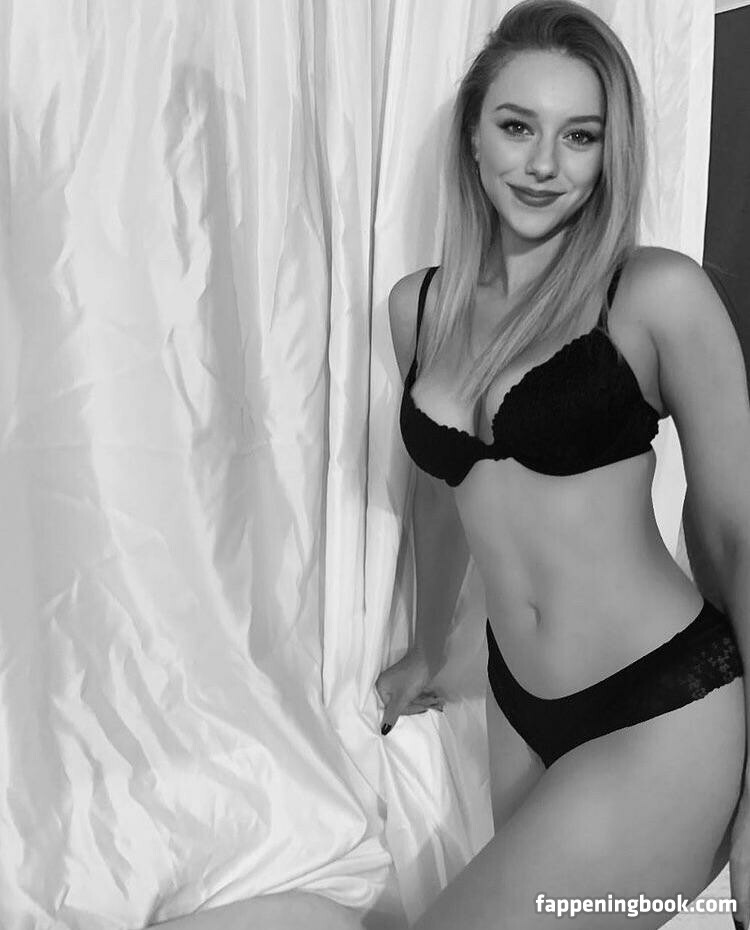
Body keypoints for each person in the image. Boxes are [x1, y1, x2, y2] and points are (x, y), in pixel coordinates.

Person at [375, 1, 750, 927]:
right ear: (472, 135)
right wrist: (426, 647)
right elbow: (443, 494)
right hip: (519, 710)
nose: (545, 164)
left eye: (579, 136)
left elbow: (736, 537)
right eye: (517, 127)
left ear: (609, 154)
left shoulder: (655, 294)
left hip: (662, 708)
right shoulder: (418, 307)